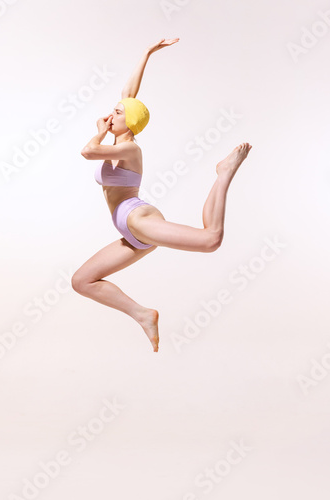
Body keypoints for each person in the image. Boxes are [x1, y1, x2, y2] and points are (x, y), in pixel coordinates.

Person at [72, 38, 252, 353]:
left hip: (137, 219)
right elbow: (129, 96)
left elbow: (87, 151)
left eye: (116, 114)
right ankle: (143, 314)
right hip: (129, 230)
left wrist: (100, 129)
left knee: (210, 239)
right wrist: (146, 54)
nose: (110, 115)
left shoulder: (128, 147)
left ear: (127, 122)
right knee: (82, 281)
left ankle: (224, 173)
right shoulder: (121, 135)